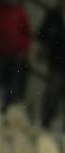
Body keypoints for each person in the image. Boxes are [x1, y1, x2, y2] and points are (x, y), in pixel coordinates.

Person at [38, 0, 65, 130]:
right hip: (57, 63)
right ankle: (45, 124)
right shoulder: (54, 15)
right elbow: (42, 34)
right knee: (51, 95)